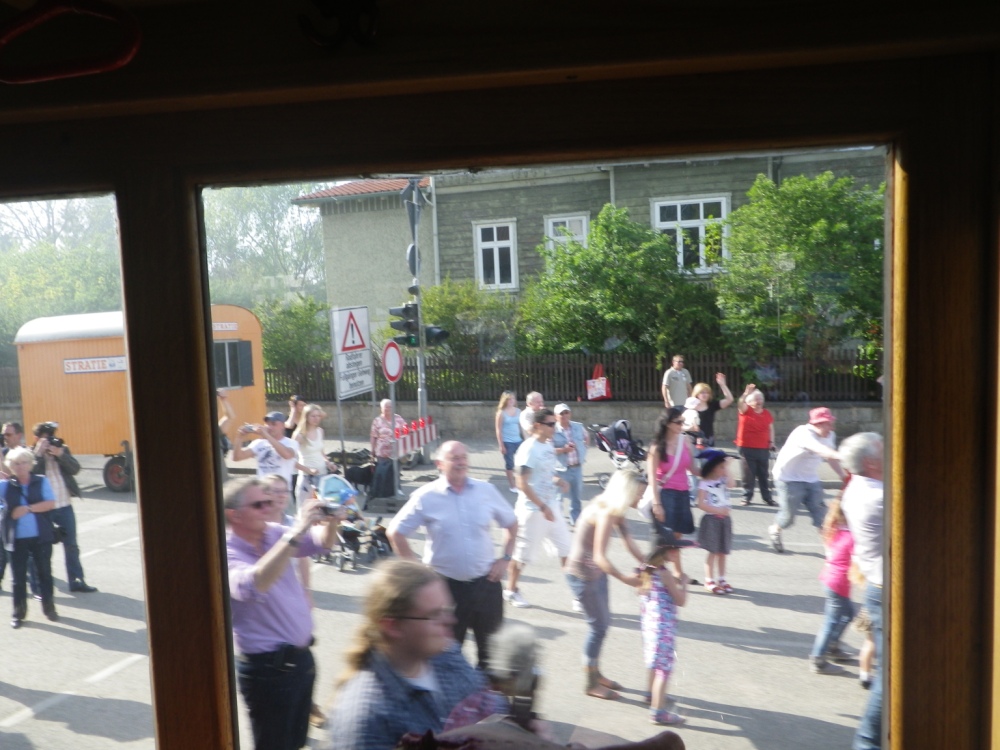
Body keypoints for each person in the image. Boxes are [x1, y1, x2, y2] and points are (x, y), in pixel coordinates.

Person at [326, 559, 495, 750]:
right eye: (434, 615)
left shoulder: (447, 655)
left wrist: (520, 725)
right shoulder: (367, 716)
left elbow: (485, 704)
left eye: (448, 610)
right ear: (392, 626)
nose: (450, 620)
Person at [226, 476, 342, 750]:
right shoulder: (226, 551)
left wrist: (332, 520)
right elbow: (254, 584)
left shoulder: (273, 534)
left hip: (299, 663)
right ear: (235, 515)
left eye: (269, 502)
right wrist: (297, 529)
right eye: (258, 505)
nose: (268, 508)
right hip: (268, 670)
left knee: (295, 744)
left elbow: (322, 543)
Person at [387, 440, 517, 669]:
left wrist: (505, 559)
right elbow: (395, 532)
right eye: (454, 458)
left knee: (493, 656)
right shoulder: (426, 496)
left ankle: (486, 702)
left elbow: (512, 524)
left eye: (463, 457)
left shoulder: (485, 491)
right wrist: (419, 575)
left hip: (486, 584)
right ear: (439, 464)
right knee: (443, 656)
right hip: (446, 590)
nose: (461, 462)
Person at [564, 466, 648, 701]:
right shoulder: (605, 511)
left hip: (595, 574)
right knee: (597, 628)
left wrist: (650, 565)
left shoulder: (615, 508)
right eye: (639, 494)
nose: (641, 499)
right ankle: (590, 683)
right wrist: (626, 580)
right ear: (626, 491)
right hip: (582, 576)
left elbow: (628, 542)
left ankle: (596, 673)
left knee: (602, 625)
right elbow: (600, 556)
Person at [838, 432, 884, 750]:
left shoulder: (856, 488)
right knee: (895, 674)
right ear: (870, 462)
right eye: (883, 449)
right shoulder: (878, 496)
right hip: (886, 591)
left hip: (877, 587)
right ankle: (866, 742)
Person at [505, 409, 571, 609]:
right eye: (550, 424)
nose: (554, 427)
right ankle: (511, 590)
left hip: (551, 506)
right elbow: (522, 483)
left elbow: (542, 475)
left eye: (554, 424)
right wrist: (542, 507)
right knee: (521, 556)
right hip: (532, 511)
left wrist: (557, 480)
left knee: (567, 549)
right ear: (537, 426)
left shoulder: (548, 446)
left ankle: (578, 593)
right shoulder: (528, 449)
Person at [767, 406, 845, 554]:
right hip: (788, 478)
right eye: (828, 423)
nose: (831, 427)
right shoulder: (803, 433)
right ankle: (775, 528)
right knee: (788, 517)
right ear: (818, 423)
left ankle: (831, 552)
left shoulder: (830, 435)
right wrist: (845, 455)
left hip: (811, 479)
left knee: (822, 516)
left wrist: (842, 476)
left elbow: (829, 457)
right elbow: (821, 450)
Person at [31, 421, 97, 593]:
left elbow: (75, 469)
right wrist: (39, 453)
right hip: (44, 509)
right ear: (37, 439)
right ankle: (42, 586)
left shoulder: (61, 449)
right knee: (44, 548)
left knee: (71, 545)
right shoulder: (31, 454)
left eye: (52, 436)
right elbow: (31, 475)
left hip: (65, 506)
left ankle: (76, 581)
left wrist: (60, 454)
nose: (51, 441)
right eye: (47, 438)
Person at [1, 446, 58, 628]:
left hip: (41, 537)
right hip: (16, 539)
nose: (20, 466)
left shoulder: (41, 481)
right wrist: (8, 512)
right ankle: (18, 613)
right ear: (10, 466)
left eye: (24, 462)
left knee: (44, 574)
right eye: (16, 463)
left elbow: (50, 503)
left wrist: (27, 509)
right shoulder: (4, 486)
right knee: (17, 579)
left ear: (30, 463)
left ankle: (49, 608)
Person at [638, 543, 689, 726]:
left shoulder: (648, 570)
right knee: (664, 669)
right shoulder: (665, 574)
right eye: (674, 550)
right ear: (664, 551)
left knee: (654, 663)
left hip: (650, 626)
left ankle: (650, 694)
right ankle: (657, 712)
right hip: (663, 628)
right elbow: (681, 600)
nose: (677, 553)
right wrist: (683, 583)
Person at [645, 408, 696, 580]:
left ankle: (676, 572)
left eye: (683, 422)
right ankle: (652, 572)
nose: (682, 425)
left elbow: (693, 469)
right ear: (667, 424)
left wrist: (715, 467)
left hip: (683, 493)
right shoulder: (657, 447)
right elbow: (652, 476)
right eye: (678, 422)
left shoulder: (685, 441)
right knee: (665, 538)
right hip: (665, 494)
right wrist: (657, 504)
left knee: (677, 535)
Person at [809, 493, 855, 674]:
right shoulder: (851, 536)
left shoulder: (835, 528)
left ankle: (832, 646)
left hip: (830, 579)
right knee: (832, 620)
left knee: (848, 613)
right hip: (837, 583)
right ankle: (818, 658)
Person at [694, 449, 735, 595]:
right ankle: (709, 580)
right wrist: (718, 511)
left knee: (723, 552)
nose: (724, 470)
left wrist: (727, 468)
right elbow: (701, 504)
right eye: (721, 467)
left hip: (725, 520)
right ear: (712, 467)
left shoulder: (723, 480)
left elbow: (732, 484)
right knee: (713, 551)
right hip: (712, 519)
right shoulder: (704, 483)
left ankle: (722, 579)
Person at [232, 411, 299, 490]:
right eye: (267, 424)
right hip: (263, 490)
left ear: (283, 426)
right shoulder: (259, 443)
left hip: (281, 491)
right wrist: (239, 437)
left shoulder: (291, 442)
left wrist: (266, 436)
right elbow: (237, 457)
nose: (269, 427)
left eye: (273, 424)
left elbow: (287, 455)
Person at [735, 384, 776, 506]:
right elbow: (739, 403)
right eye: (756, 399)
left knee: (764, 474)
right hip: (746, 447)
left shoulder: (767, 413)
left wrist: (772, 442)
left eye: (760, 399)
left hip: (763, 448)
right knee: (748, 474)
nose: (759, 401)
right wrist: (746, 393)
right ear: (749, 402)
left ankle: (767, 498)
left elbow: (771, 428)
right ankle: (746, 497)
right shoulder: (746, 410)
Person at [292, 404, 338, 505]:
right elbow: (290, 459)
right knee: (306, 510)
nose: (316, 419)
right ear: (306, 417)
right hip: (306, 478)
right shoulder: (299, 435)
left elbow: (321, 452)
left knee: (323, 511)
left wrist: (328, 463)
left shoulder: (320, 431)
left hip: (322, 475)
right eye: (313, 416)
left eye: (318, 416)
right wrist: (308, 470)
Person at [552, 403, 589, 525]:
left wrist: (584, 449)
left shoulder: (578, 426)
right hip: (561, 469)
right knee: (558, 498)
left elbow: (586, 436)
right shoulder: (552, 430)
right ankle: (558, 522)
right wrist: (563, 450)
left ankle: (576, 521)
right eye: (561, 413)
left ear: (570, 413)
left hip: (577, 467)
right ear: (555, 416)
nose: (564, 415)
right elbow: (548, 450)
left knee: (576, 498)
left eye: (566, 412)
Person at [369, 399, 406, 499]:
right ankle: (384, 492)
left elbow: (406, 431)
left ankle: (397, 488)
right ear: (381, 409)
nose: (388, 409)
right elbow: (373, 436)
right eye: (385, 407)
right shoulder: (377, 421)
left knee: (396, 471)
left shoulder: (399, 419)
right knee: (383, 471)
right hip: (382, 451)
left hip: (397, 450)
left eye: (390, 407)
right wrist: (372, 450)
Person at [688, 373, 735, 446]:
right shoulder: (690, 406)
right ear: (697, 394)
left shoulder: (712, 405)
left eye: (707, 393)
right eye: (702, 392)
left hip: (708, 441)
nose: (705, 395)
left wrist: (723, 385)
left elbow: (729, 399)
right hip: (692, 441)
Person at [495, 390, 522, 494]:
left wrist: (526, 440)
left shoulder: (519, 411)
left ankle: (521, 483)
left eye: (513, 398)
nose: (511, 401)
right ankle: (512, 485)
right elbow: (498, 429)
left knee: (522, 463)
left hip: (518, 441)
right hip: (507, 442)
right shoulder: (501, 413)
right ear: (505, 400)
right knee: (510, 464)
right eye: (509, 399)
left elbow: (521, 427)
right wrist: (501, 445)